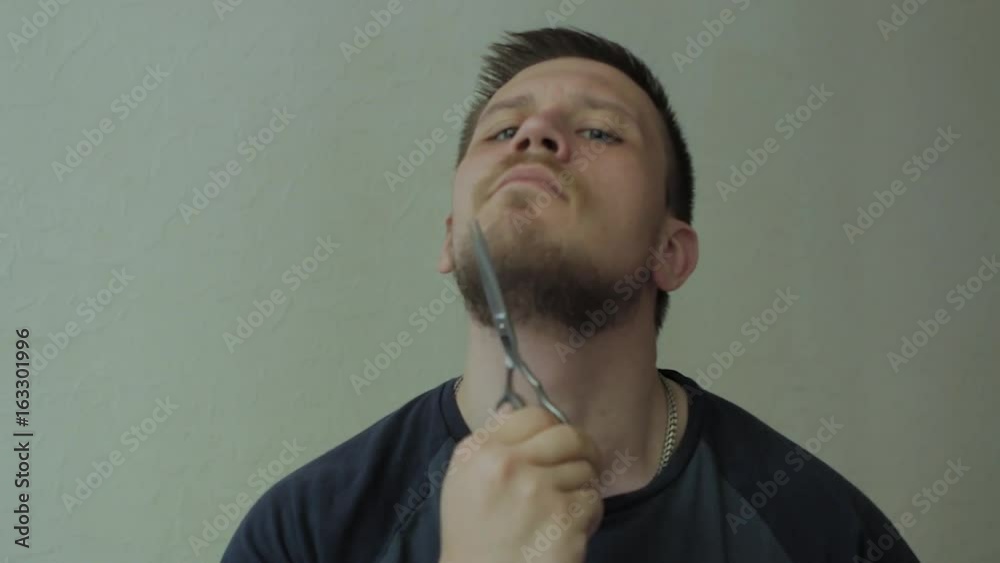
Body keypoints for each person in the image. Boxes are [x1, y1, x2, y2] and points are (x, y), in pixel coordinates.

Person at [221, 27, 921, 562]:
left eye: (597, 131)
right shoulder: (305, 532)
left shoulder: (821, 531)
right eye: (503, 130)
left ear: (669, 253)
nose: (535, 135)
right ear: (449, 239)